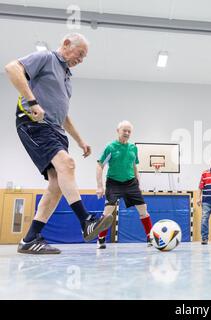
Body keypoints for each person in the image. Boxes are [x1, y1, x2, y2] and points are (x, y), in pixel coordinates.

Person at [4, 33, 113, 254]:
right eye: (79, 54)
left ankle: (30, 238)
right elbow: (11, 68)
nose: (80, 60)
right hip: (34, 122)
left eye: (84, 58)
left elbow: (63, 114)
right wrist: (32, 101)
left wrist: (80, 140)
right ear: (65, 44)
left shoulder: (67, 79)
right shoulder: (46, 58)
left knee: (57, 184)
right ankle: (86, 220)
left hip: (55, 129)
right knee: (67, 164)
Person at [96, 120, 153, 249]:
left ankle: (150, 237)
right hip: (113, 182)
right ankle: (101, 237)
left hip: (131, 183)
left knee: (143, 209)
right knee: (108, 211)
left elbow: (134, 166)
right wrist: (99, 186)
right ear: (118, 131)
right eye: (124, 131)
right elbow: (100, 166)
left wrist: (138, 182)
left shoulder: (133, 148)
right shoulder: (110, 147)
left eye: (129, 131)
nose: (127, 133)